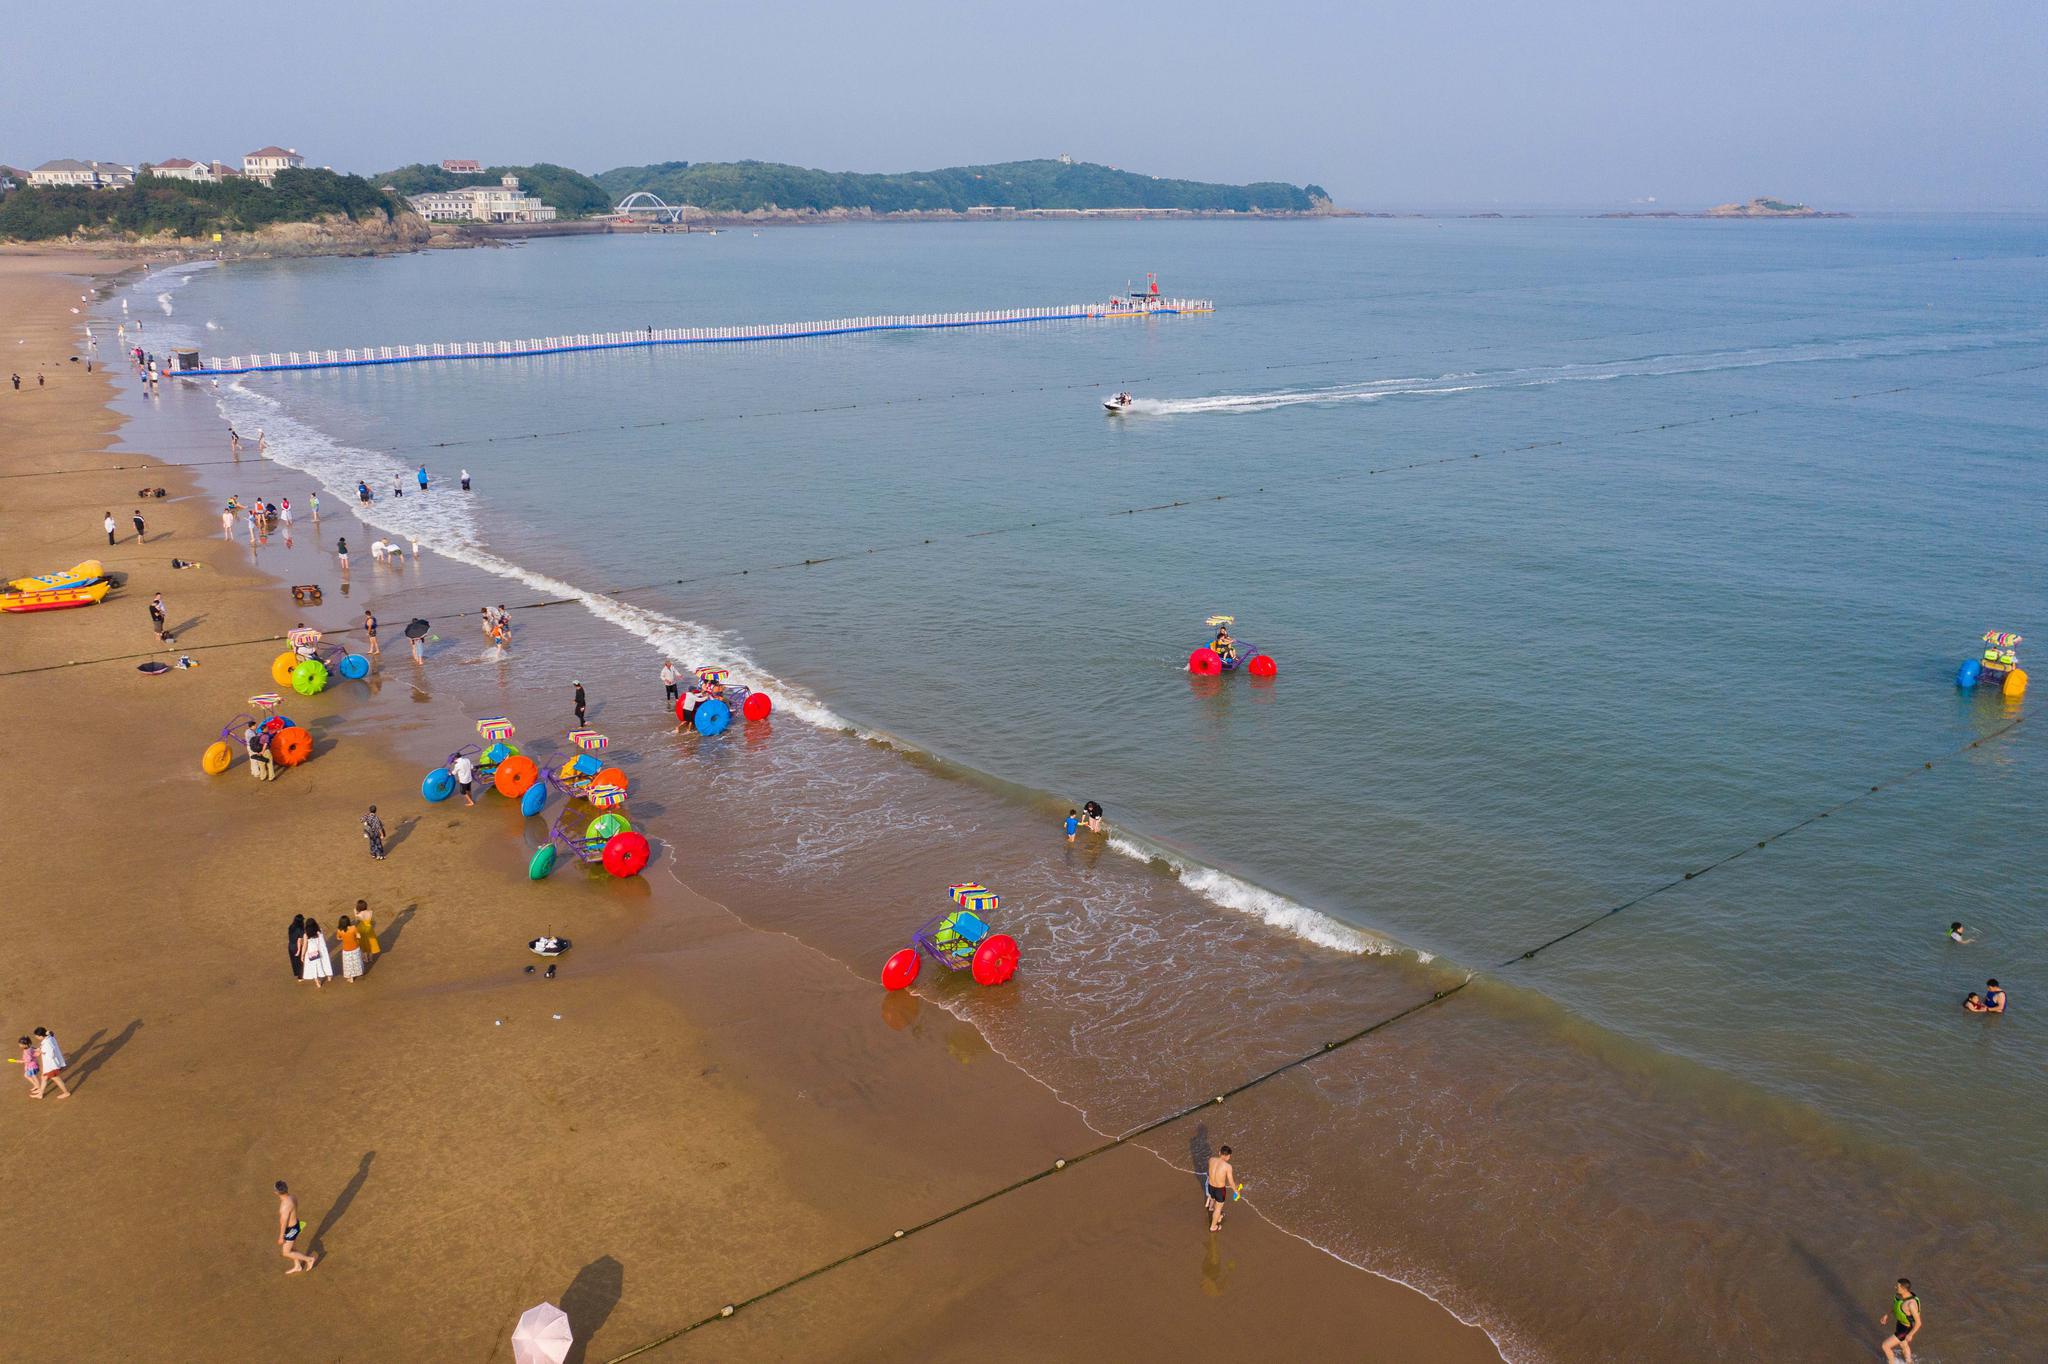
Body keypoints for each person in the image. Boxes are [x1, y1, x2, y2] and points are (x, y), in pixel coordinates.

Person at [275, 1182, 317, 1274]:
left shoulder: (285, 1206)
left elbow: (284, 1222)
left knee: (286, 1252)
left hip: (291, 1230)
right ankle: (297, 1266)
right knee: (292, 1247)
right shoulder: (292, 1197)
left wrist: (281, 1236)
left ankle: (309, 1259)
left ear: (276, 1192)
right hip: (295, 1224)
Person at [1880, 1278, 1920, 1360]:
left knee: (1885, 1346)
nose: (1895, 1287)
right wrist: (1887, 1315)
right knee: (1903, 1344)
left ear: (1904, 1289)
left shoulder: (1911, 1304)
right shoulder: (1902, 1296)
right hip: (1900, 1324)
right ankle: (1909, 1362)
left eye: (1897, 1286)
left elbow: (1918, 1323)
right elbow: (1897, 1307)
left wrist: (1910, 1334)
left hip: (1905, 1329)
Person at [1205, 1146, 1239, 1232]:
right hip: (1220, 1190)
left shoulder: (1211, 1160)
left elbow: (1210, 1172)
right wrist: (1236, 1191)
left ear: (1219, 1153)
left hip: (1210, 1186)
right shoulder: (1228, 1166)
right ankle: (1213, 1227)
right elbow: (1231, 1182)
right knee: (1219, 1208)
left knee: (1213, 1199)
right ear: (1228, 1156)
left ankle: (1211, 1208)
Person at [33, 1028, 70, 1099]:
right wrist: (40, 1050)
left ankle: (66, 1093)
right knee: (44, 1077)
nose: (36, 1037)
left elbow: (51, 1054)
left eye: (37, 1036)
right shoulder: (50, 1037)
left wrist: (40, 1052)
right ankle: (40, 1094)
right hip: (49, 1066)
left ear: (41, 1036)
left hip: (51, 1066)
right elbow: (51, 1034)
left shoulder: (47, 1043)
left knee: (56, 1079)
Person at [298, 919, 334, 988]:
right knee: (325, 963)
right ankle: (329, 976)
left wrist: (302, 955)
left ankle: (317, 982)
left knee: (313, 967)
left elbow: (305, 946)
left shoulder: (306, 935)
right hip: (321, 950)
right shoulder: (319, 931)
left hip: (311, 952)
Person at [337, 915, 365, 983]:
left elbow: (338, 938)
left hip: (346, 950)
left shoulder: (339, 931)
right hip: (355, 948)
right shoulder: (353, 928)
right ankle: (359, 972)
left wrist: (343, 938)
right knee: (357, 961)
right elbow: (359, 936)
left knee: (348, 964)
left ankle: (351, 978)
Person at [288, 914, 307, 980]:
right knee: (300, 961)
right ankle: (300, 977)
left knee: (294, 961)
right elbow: (299, 940)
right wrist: (299, 950)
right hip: (296, 946)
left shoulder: (291, 926)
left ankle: (297, 974)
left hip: (290, 946)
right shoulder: (300, 929)